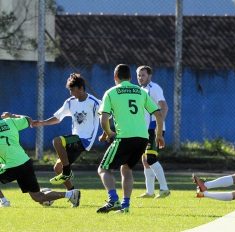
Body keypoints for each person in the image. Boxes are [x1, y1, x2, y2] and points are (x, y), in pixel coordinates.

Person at [96, 64, 164, 214]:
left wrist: (108, 132)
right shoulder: (140, 91)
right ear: (131, 77)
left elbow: (104, 119)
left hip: (124, 137)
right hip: (142, 138)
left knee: (103, 169)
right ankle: (125, 206)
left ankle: (113, 199)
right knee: (126, 168)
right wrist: (159, 136)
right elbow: (158, 114)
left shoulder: (111, 92)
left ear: (115, 77)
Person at [31, 73, 101, 190]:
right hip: (75, 140)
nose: (70, 93)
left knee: (57, 141)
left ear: (81, 88)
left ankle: (67, 171)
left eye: (72, 90)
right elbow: (58, 118)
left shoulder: (95, 102)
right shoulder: (70, 102)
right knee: (58, 168)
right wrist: (41, 123)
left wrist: (106, 133)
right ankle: (73, 193)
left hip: (85, 140)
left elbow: (106, 115)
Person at [0, 112, 80, 207]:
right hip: (25, 162)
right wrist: (12, 115)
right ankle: (71, 194)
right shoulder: (10, 122)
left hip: (12, 165)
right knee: (38, 197)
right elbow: (29, 120)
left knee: (38, 197)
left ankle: (4, 202)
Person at [136, 65, 170, 199]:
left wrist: (158, 128)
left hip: (153, 129)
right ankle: (150, 192)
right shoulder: (140, 90)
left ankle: (164, 189)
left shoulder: (154, 88)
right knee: (145, 160)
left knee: (151, 158)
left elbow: (164, 107)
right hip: (144, 130)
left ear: (150, 76)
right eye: (138, 75)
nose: (140, 77)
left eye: (143, 75)